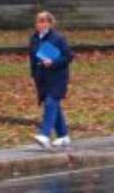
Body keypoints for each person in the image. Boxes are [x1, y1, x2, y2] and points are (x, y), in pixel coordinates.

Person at [29, 11, 74, 150]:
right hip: (42, 77)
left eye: (44, 21)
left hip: (58, 77)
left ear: (50, 23)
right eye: (38, 21)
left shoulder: (58, 38)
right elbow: (32, 59)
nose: (40, 24)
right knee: (54, 105)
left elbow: (68, 56)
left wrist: (53, 62)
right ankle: (63, 136)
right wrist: (33, 75)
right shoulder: (34, 38)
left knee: (51, 102)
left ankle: (44, 134)